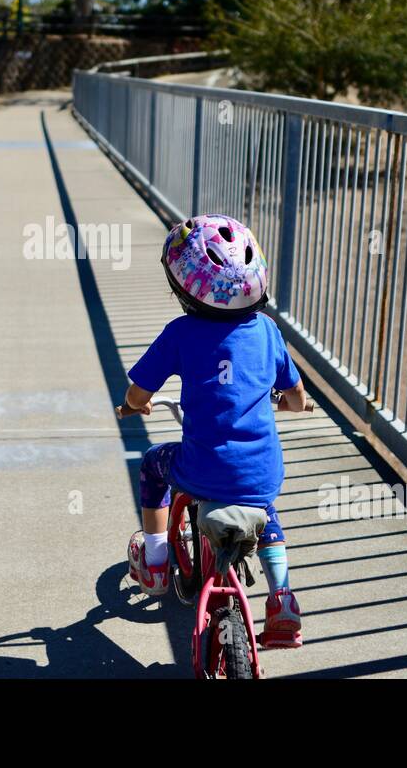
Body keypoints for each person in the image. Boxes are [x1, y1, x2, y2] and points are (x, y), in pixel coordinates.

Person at [116, 214, 314, 649]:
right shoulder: (267, 331)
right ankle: (281, 595)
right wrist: (287, 403)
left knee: (153, 465)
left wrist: (138, 405)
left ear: (183, 288)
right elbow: (297, 398)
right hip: (261, 474)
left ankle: (154, 558)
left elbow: (136, 392)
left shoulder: (180, 334)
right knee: (263, 505)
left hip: (199, 469)